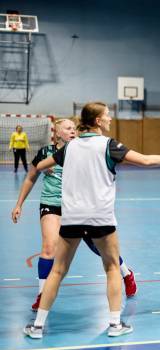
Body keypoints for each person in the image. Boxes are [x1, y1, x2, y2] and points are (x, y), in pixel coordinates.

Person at [23, 102, 160, 339]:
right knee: (112, 267)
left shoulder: (69, 148)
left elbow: (40, 166)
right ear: (97, 121)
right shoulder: (109, 145)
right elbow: (145, 161)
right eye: (106, 115)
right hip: (100, 218)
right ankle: (115, 325)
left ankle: (37, 327)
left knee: (58, 271)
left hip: (72, 217)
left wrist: (46, 169)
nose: (110, 119)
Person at [11, 118, 138, 311]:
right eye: (68, 129)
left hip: (79, 207)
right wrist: (19, 204)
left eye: (74, 128)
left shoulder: (81, 149)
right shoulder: (46, 153)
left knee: (100, 249)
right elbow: (31, 177)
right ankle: (42, 294)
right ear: (57, 133)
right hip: (52, 205)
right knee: (48, 248)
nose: (72, 131)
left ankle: (126, 274)